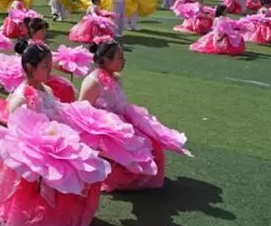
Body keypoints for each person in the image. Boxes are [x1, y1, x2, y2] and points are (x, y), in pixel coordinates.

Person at [0, 41, 106, 226]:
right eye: (45, 66)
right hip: (32, 153)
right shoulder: (22, 98)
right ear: (29, 67)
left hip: (53, 143)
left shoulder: (45, 89)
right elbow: (16, 136)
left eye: (50, 65)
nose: (50, 70)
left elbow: (58, 114)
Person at [79, 40, 189, 191]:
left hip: (122, 124)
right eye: (119, 57)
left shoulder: (116, 77)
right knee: (134, 149)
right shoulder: (93, 81)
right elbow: (81, 111)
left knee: (151, 140)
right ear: (105, 60)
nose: (123, 61)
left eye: (123, 57)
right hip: (103, 130)